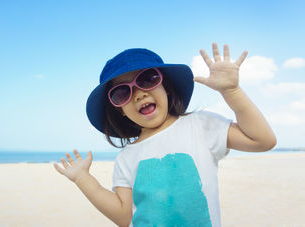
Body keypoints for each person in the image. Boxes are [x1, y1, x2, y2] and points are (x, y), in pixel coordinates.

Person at [53, 43, 276, 227]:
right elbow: (124, 216)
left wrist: (232, 91)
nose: (139, 94)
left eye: (147, 79)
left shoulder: (200, 126)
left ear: (166, 86)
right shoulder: (126, 158)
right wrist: (84, 179)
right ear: (119, 108)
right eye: (122, 92)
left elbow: (262, 140)